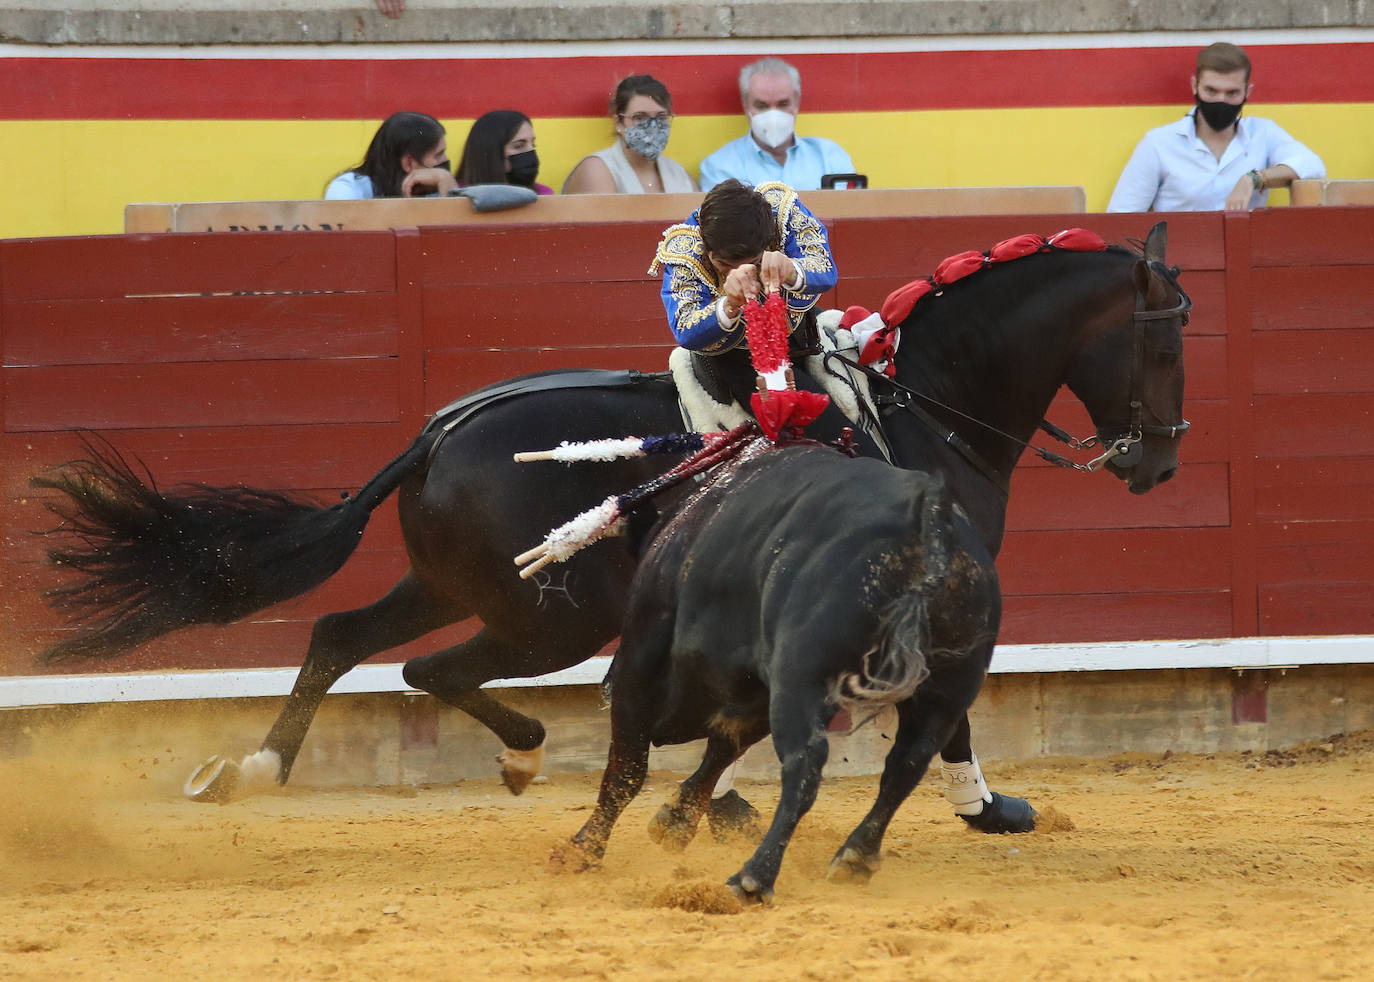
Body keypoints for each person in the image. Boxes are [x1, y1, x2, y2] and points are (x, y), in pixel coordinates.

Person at [650, 178, 877, 456]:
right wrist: (729, 305)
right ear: (706, 249)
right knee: (851, 448)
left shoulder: (782, 211)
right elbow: (686, 328)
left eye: (752, 263)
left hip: (803, 331)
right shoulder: (685, 249)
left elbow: (824, 267)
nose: (741, 272)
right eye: (724, 265)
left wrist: (791, 269)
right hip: (740, 360)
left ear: (768, 241)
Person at [1107, 42, 1325, 212]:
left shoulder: (1263, 133)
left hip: (1244, 260)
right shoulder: (1159, 143)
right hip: (1176, 263)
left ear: (1247, 92)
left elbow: (1312, 166)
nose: (1221, 100)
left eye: (1232, 93)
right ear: (1195, 86)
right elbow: (1123, 214)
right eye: (1211, 91)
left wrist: (1254, 178)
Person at [697, 58, 855, 192]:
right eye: (762, 105)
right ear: (746, 106)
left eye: (783, 104)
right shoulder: (720, 168)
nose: (773, 115)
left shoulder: (830, 158)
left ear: (797, 102)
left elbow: (851, 216)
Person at [561, 74, 697, 195]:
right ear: (618, 123)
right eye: (640, 117)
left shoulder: (679, 173)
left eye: (661, 117)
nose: (652, 126)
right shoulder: (598, 168)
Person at [324, 111, 456, 200]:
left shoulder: (436, 187)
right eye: (438, 155)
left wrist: (448, 185)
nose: (445, 160)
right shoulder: (348, 189)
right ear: (408, 163)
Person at [455, 110, 554, 196]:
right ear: (492, 153)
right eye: (519, 146)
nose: (531, 152)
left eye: (533, 144)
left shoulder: (543, 195)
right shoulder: (457, 195)